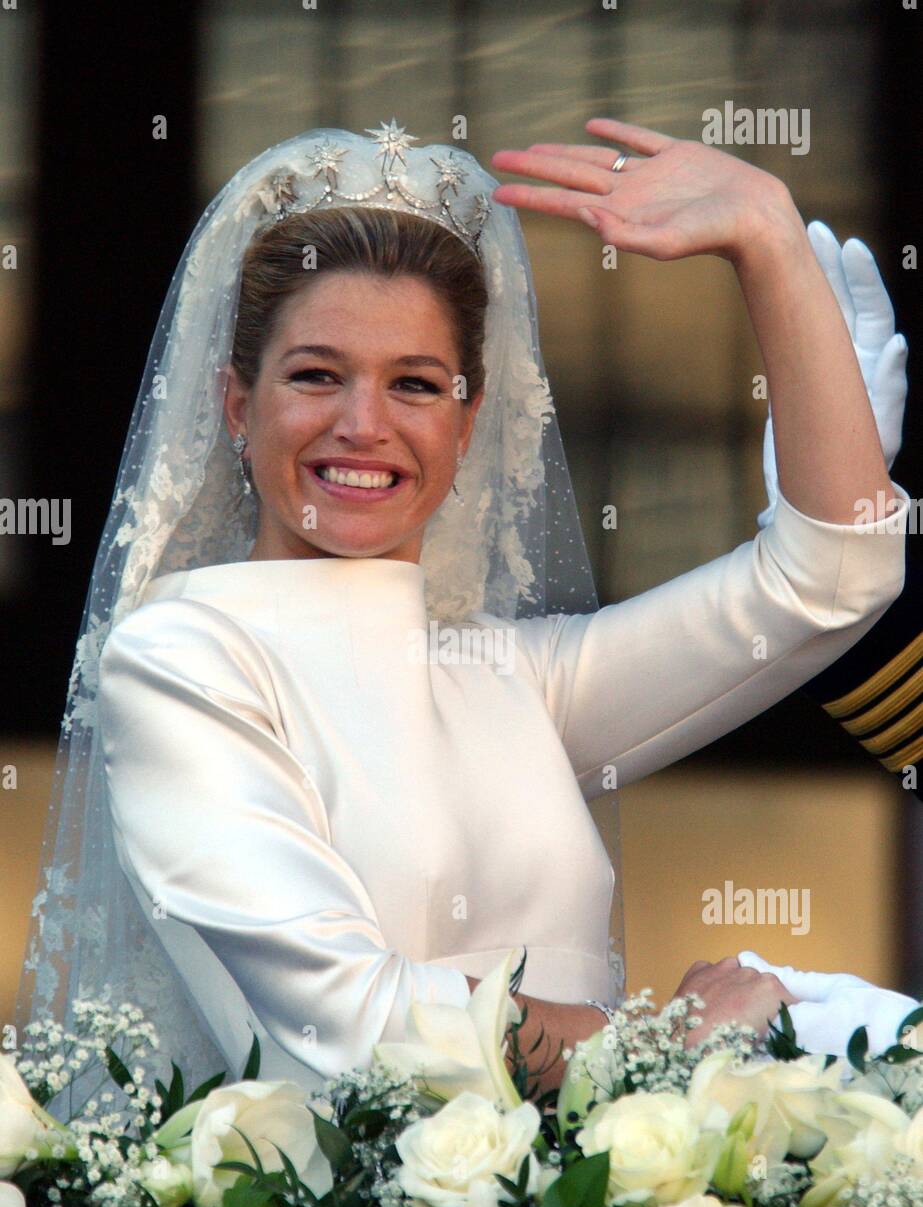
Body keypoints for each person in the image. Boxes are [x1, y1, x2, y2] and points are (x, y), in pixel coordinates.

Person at [15, 118, 911, 1109]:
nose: (364, 424)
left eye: (412, 383)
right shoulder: (182, 656)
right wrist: (671, 1041)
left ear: (467, 417)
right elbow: (356, 1023)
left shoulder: (512, 675)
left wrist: (766, 236)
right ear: (236, 402)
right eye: (316, 374)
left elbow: (827, 581)